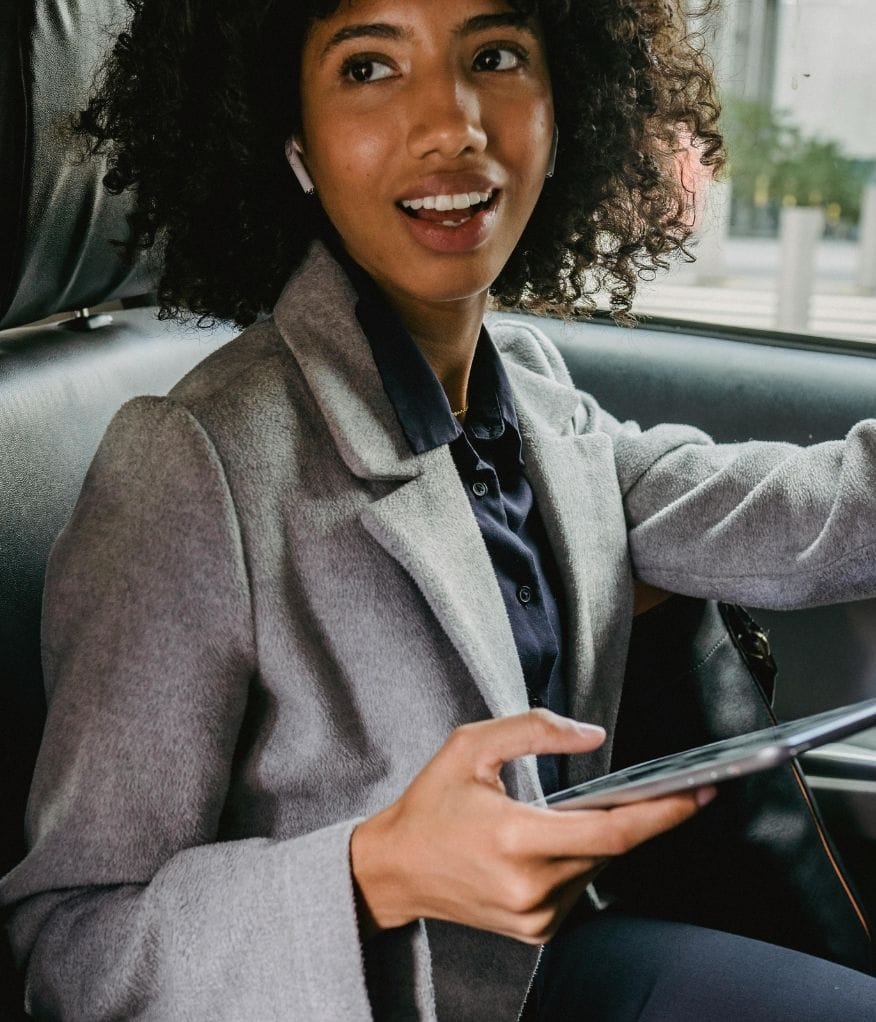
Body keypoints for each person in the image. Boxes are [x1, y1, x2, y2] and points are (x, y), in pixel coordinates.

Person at [2, 0, 876, 1018]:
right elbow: (71, 943)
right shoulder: (192, 463)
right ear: (292, 139)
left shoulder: (537, 401)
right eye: (369, 67)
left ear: (566, 113)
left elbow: (815, 515)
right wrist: (379, 869)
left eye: (495, 56)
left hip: (564, 965)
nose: (452, 122)